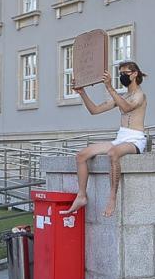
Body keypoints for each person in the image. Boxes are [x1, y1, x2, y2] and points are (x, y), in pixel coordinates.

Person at [61, 61, 148, 218]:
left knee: (113, 153)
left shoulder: (139, 95)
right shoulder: (122, 96)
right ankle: (81, 196)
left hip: (135, 139)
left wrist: (109, 87)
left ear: (134, 74)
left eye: (125, 73)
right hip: (121, 137)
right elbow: (94, 110)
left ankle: (112, 197)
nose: (122, 76)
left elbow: (127, 107)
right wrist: (82, 93)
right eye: (120, 74)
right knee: (82, 155)